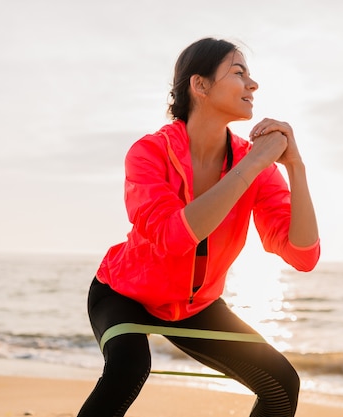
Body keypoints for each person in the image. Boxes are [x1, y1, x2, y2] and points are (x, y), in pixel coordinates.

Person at [77, 37, 320, 417]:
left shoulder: (253, 163)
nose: (252, 85)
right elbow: (173, 238)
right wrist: (253, 165)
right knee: (129, 365)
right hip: (123, 295)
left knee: (282, 385)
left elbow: (302, 254)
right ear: (200, 85)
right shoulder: (149, 153)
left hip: (195, 306)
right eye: (239, 73)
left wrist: (295, 166)